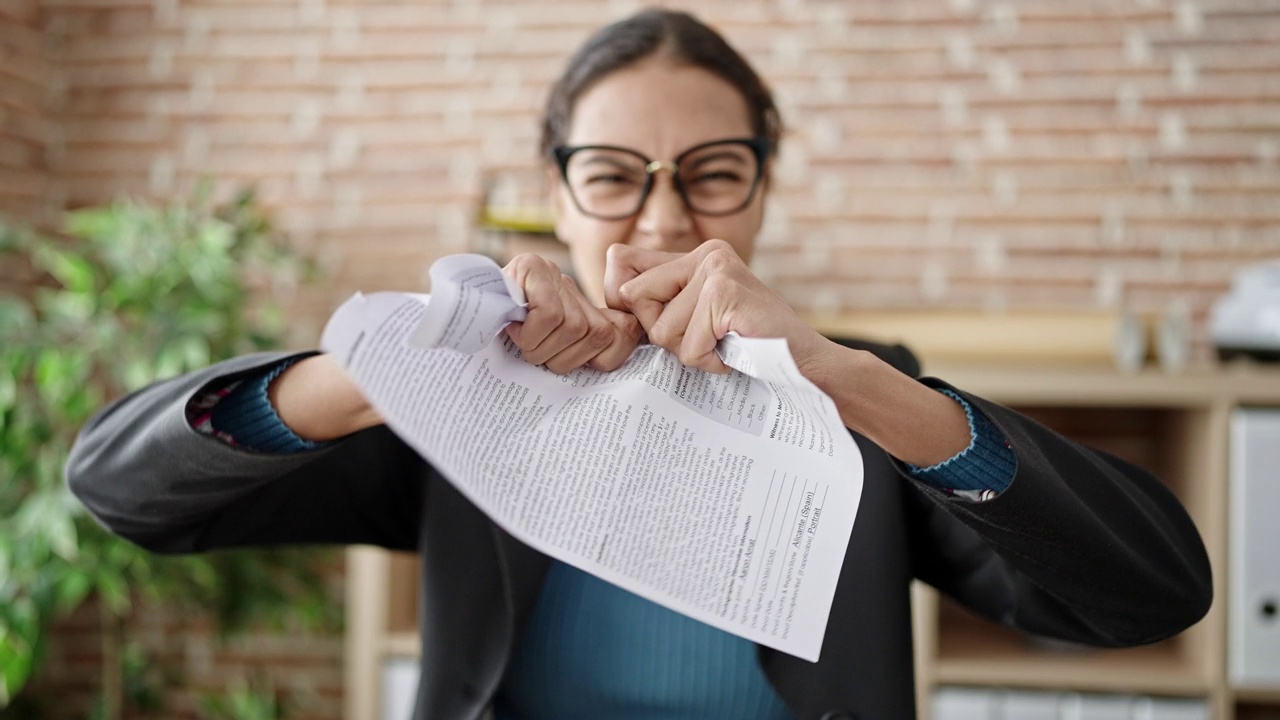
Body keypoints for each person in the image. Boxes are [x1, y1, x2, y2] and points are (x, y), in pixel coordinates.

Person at [68, 9, 1211, 720]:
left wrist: (848, 377)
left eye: (712, 171)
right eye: (613, 173)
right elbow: (120, 489)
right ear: (556, 194)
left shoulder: (868, 396)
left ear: (763, 183)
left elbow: (1147, 596)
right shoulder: (472, 392)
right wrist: (392, 368)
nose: (663, 218)